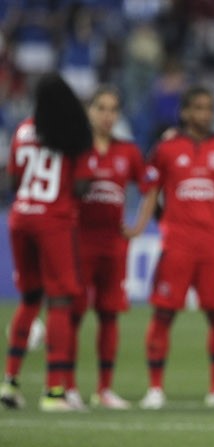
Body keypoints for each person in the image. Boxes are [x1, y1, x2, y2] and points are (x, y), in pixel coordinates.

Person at [138, 86, 214, 410]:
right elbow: (152, 190)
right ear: (185, 112)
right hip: (177, 244)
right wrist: (160, 223)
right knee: (164, 313)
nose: (204, 114)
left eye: (209, 108)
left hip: (212, 244)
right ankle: (155, 389)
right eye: (198, 108)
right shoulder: (167, 148)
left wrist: (210, 219)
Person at [0, 73, 93, 411]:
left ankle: (9, 382)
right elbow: (82, 187)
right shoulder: (74, 134)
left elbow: (10, 179)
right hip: (54, 221)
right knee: (59, 302)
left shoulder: (23, 130)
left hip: (20, 218)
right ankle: (54, 391)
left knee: (29, 299)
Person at [60, 86, 156, 410]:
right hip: (80, 241)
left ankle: (103, 389)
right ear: (90, 111)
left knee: (109, 315)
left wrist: (139, 225)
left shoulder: (127, 151)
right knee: (73, 314)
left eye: (113, 109)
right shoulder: (76, 148)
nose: (107, 115)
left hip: (114, 245)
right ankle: (68, 386)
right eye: (101, 108)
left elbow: (149, 186)